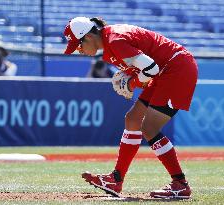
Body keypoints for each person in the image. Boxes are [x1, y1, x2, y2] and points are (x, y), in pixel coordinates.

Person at [63, 17, 198, 199]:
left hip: (176, 68)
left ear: (88, 37)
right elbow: (149, 68)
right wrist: (133, 76)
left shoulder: (114, 40)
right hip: (167, 68)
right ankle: (116, 179)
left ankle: (180, 183)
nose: (79, 51)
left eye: (78, 46)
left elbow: (151, 69)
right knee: (132, 119)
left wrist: (132, 82)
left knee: (149, 128)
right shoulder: (110, 40)